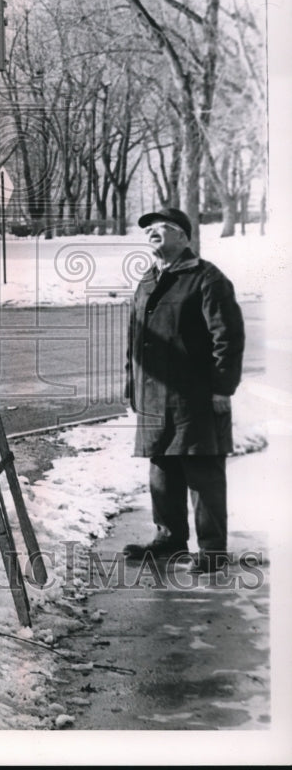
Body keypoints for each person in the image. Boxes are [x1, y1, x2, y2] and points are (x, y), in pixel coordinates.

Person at [123, 207, 245, 574]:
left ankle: (212, 551)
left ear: (184, 237)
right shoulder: (147, 280)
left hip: (195, 394)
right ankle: (169, 539)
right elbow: (135, 339)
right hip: (154, 394)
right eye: (149, 230)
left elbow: (228, 337)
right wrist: (131, 384)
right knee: (161, 466)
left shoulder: (207, 278)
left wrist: (222, 388)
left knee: (202, 468)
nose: (153, 234)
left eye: (163, 228)